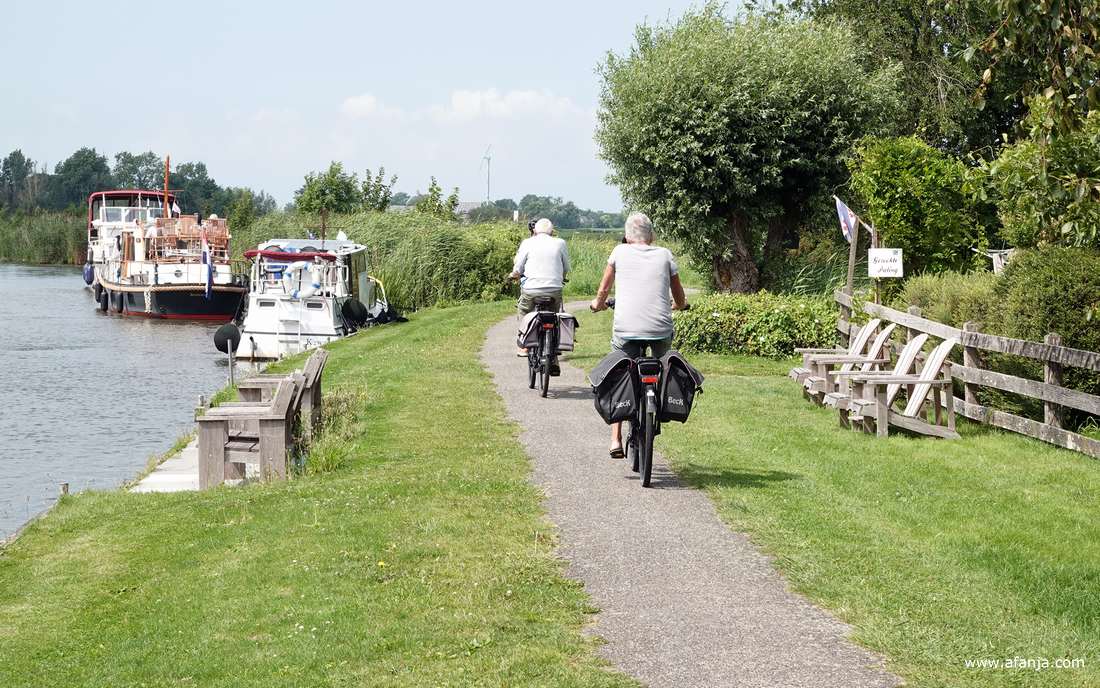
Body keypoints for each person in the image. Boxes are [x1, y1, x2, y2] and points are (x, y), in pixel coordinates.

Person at [590, 212, 687, 458]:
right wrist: (680, 305)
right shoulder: (665, 255)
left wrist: (597, 304)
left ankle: (615, 439)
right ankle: (660, 404)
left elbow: (604, 289)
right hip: (660, 330)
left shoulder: (619, 252)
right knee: (664, 365)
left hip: (626, 330)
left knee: (619, 371)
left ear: (626, 236)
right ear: (651, 236)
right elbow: (679, 295)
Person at [510, 218, 570, 357]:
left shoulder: (527, 243)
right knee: (556, 314)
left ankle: (524, 346)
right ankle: (555, 345)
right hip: (554, 289)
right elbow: (566, 267)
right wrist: (562, 277)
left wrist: (514, 274)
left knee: (524, 310)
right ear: (552, 231)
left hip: (531, 289)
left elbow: (518, 267)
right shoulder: (560, 243)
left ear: (535, 231)